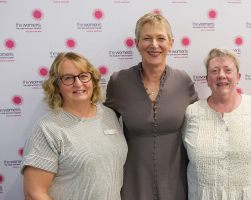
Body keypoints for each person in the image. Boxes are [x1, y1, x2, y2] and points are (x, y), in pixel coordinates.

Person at [104, 13, 198, 200]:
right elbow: (104, 130)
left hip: (176, 183)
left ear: (171, 44)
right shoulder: (118, 82)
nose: (154, 45)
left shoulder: (183, 81)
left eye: (161, 38)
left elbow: (200, 127)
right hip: (132, 183)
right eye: (147, 38)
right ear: (137, 43)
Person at [21, 52, 128, 200]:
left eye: (83, 75)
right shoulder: (47, 129)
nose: (78, 83)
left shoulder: (109, 116)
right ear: (57, 86)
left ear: (93, 79)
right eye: (68, 78)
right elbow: (34, 193)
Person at [182, 47, 251, 200]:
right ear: (206, 79)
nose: (221, 75)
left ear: (238, 77)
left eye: (227, 70)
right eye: (214, 71)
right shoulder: (191, 113)